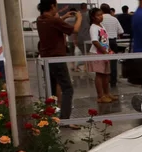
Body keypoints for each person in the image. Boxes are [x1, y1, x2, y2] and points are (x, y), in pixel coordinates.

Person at [37, 0, 82, 129]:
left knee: (51, 89)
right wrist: (79, 18)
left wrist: (64, 17)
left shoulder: (40, 20)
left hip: (46, 59)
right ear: (52, 6)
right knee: (68, 88)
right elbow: (75, 30)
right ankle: (65, 120)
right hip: (56, 58)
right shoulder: (54, 21)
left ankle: (50, 117)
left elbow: (53, 23)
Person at [87, 7, 116, 103]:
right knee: (99, 74)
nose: (100, 17)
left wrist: (109, 50)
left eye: (101, 15)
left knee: (106, 74)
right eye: (98, 15)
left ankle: (107, 93)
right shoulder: (93, 27)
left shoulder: (101, 26)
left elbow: (105, 40)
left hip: (105, 53)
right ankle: (100, 96)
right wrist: (104, 51)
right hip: (97, 53)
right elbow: (95, 41)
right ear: (93, 17)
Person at [100, 3, 123, 87]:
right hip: (113, 42)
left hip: (104, 42)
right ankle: (113, 81)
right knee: (113, 63)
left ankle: (105, 81)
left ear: (101, 10)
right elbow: (121, 31)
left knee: (104, 63)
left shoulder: (100, 19)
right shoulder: (114, 19)